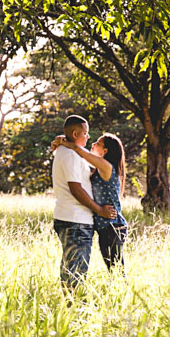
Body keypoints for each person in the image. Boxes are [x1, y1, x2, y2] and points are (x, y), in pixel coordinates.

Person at [51, 115, 116, 289]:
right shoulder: (70, 154)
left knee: (71, 269)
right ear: (74, 133)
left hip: (74, 218)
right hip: (75, 220)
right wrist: (99, 210)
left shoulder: (70, 152)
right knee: (75, 273)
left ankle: (69, 309)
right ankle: (72, 311)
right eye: (85, 133)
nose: (88, 137)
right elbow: (75, 188)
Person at [52, 131, 128, 271]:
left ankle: (124, 291)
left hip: (112, 225)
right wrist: (61, 142)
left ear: (105, 151)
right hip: (105, 226)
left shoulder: (106, 167)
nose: (93, 143)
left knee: (116, 269)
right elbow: (81, 155)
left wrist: (64, 142)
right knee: (113, 267)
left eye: (98, 143)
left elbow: (79, 151)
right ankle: (118, 291)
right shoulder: (100, 166)